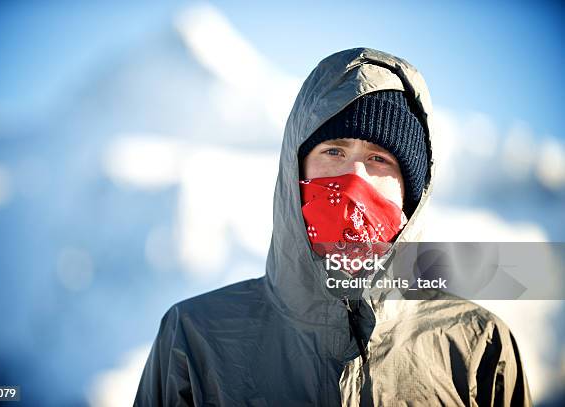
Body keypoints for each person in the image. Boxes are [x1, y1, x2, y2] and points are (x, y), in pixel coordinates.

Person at [134, 47, 531, 406]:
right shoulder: (195, 337)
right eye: (334, 151)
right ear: (296, 170)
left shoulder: (477, 344)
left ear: (410, 193)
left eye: (379, 159)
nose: (353, 178)